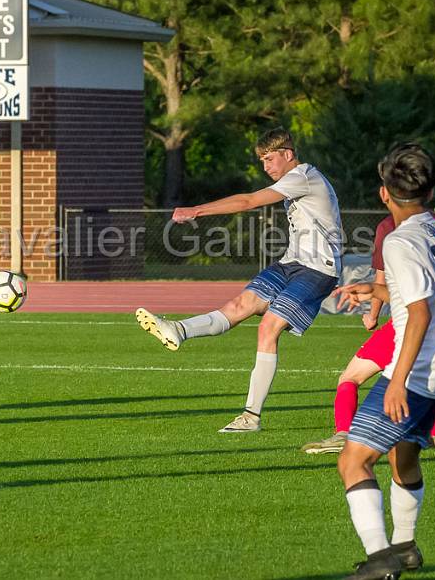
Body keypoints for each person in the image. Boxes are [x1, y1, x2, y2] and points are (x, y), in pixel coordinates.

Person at [136, 128, 343, 432]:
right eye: (261, 161)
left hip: (318, 269)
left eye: (270, 159)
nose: (266, 167)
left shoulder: (304, 176)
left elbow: (248, 201)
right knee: (239, 304)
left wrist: (198, 210)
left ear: (288, 154)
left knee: (268, 326)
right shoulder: (293, 179)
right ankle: (178, 329)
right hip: (291, 263)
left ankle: (251, 417)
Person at [332, 143, 435, 579]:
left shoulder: (398, 240)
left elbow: (421, 312)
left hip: (418, 368)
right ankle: (406, 547)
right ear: (429, 193)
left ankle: (379, 560)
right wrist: (376, 292)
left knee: (354, 461)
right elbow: (422, 296)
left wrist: (396, 380)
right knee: (403, 457)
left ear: (384, 194)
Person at [301, 212, 435, 455]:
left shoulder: (391, 228)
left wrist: (372, 314)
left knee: (349, 379)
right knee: (427, 378)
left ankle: (344, 434)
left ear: (386, 193)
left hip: (408, 323)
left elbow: (393, 286)